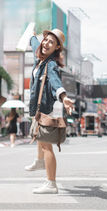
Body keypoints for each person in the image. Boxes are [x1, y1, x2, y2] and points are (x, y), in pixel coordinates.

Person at [25, 28, 74, 194]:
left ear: (56, 48)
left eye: (51, 42)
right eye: (46, 40)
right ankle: (39, 161)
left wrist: (63, 96)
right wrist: (32, 34)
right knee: (39, 137)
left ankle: (51, 183)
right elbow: (33, 43)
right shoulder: (38, 56)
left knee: (46, 146)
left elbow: (54, 82)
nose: (46, 43)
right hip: (36, 108)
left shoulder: (51, 64)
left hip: (45, 109)